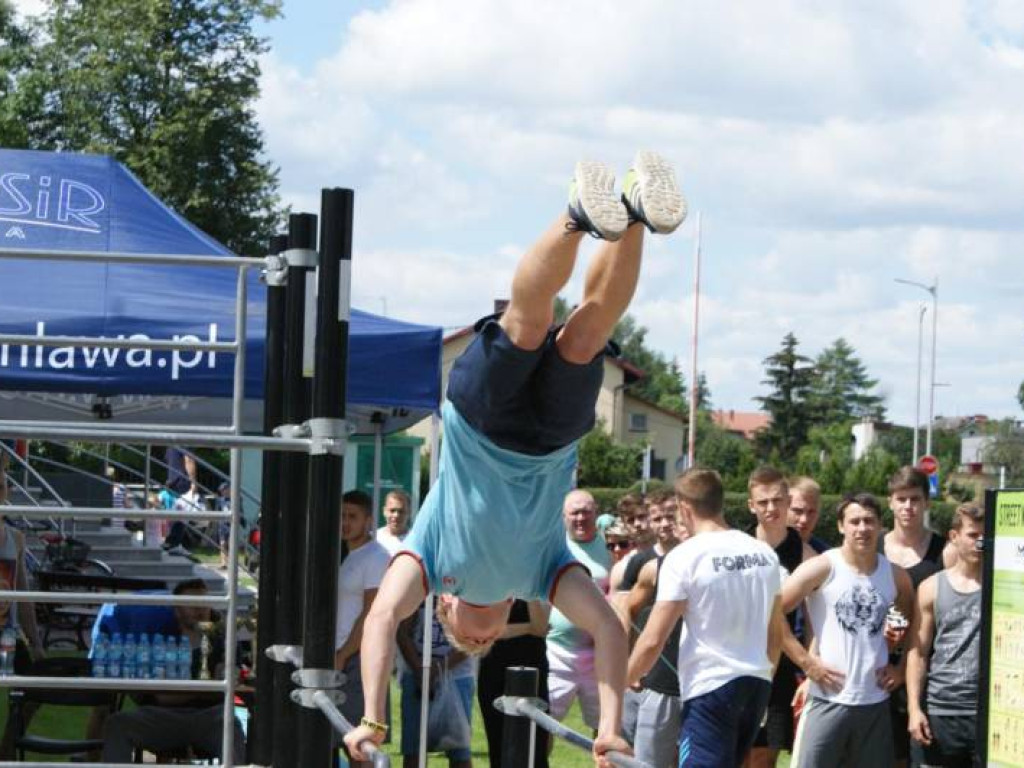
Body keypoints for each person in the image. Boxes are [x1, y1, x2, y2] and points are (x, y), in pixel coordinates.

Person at [344, 152, 687, 766]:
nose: (485, 635)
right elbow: (609, 628)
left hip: (480, 423)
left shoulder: (431, 560)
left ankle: (577, 216)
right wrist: (610, 725)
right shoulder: (544, 576)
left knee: (530, 323)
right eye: (487, 639)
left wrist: (373, 715)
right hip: (552, 439)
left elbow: (381, 621)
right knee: (588, 333)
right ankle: (634, 213)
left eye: (471, 637)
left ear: (444, 608)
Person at [628, 468, 784, 768]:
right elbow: (775, 635)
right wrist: (764, 679)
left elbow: (653, 639)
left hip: (711, 688)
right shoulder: (763, 553)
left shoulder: (686, 556)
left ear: (685, 508)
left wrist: (621, 681)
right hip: (756, 684)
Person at [782, 493, 915, 768]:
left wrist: (898, 666)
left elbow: (910, 620)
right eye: (854, 521)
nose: (862, 528)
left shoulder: (895, 575)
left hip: (874, 703)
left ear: (880, 526)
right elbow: (771, 614)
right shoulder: (822, 568)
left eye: (869, 521)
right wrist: (807, 663)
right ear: (841, 526)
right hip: (826, 700)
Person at [98, 579, 245, 763]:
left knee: (233, 727)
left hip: (210, 717)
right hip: (162, 717)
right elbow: (162, 696)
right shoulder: (159, 640)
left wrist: (186, 689)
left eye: (204, 604)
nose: (199, 610)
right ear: (177, 610)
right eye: (192, 604)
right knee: (117, 724)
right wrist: (207, 687)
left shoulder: (224, 640)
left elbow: (227, 686)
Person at [744, 466, 818, 768]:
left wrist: (811, 667)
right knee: (735, 751)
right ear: (751, 505)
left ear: (788, 501)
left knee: (764, 755)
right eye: (763, 502)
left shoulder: (807, 555)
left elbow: (815, 620)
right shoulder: (737, 546)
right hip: (738, 662)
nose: (771, 509)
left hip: (781, 669)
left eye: (777, 500)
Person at [883, 466, 953, 766]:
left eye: (915, 499)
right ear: (890, 502)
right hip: (876, 670)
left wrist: (904, 670)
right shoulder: (874, 546)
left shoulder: (945, 552)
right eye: (901, 499)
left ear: (926, 503)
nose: (908, 507)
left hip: (924, 670)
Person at [906, 504, 983, 768]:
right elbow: (917, 652)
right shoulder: (931, 588)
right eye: (973, 535)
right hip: (940, 711)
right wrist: (915, 709)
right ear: (954, 537)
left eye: (986, 536)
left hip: (987, 714)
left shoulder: (1007, 588)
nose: (980, 543)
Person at [621, 492, 688, 768]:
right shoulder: (647, 565)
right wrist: (631, 664)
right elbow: (624, 608)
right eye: (659, 517)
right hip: (657, 679)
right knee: (643, 757)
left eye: (672, 517)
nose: (668, 524)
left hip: (699, 682)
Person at [547, 490, 611, 734]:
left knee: (606, 726)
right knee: (544, 724)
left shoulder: (611, 548)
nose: (580, 518)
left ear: (596, 512)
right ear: (564, 516)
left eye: (586, 511)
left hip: (600, 654)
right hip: (557, 651)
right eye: (574, 512)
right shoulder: (554, 547)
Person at [334, 490, 390, 767]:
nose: (345, 522)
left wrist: (344, 654)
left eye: (352, 516)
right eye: (342, 515)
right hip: (341, 656)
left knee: (359, 748)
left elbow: (372, 613)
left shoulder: (376, 557)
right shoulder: (347, 555)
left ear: (368, 521)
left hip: (357, 660)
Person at [0, 448, 46, 760]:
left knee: (38, 688)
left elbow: (24, 596)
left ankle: (6, 748)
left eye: (1, 486)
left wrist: (37, 643)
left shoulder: (14, 537)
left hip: (7, 636)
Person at [397, 596, 477, 768]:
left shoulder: (465, 590)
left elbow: (474, 636)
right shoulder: (419, 588)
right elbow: (402, 632)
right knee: (414, 749)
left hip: (457, 678)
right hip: (415, 675)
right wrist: (419, 669)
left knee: (459, 750)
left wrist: (439, 667)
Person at [477, 599, 551, 768]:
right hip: (494, 670)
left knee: (535, 745)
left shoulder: (536, 581)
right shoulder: (491, 582)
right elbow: (483, 630)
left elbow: (539, 626)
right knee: (499, 744)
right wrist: (527, 628)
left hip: (533, 669)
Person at [609, 493, 653, 592]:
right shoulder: (622, 568)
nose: (637, 524)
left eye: (641, 517)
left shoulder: (674, 554)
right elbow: (615, 606)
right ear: (625, 526)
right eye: (630, 520)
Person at [788, 475, 829, 554]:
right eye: (798, 511)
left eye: (811, 512)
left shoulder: (826, 557)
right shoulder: (764, 552)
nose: (804, 519)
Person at [376, 489, 412, 556]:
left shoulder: (414, 541)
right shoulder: (374, 538)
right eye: (392, 510)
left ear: (409, 513)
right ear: (384, 511)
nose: (396, 515)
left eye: (401, 511)